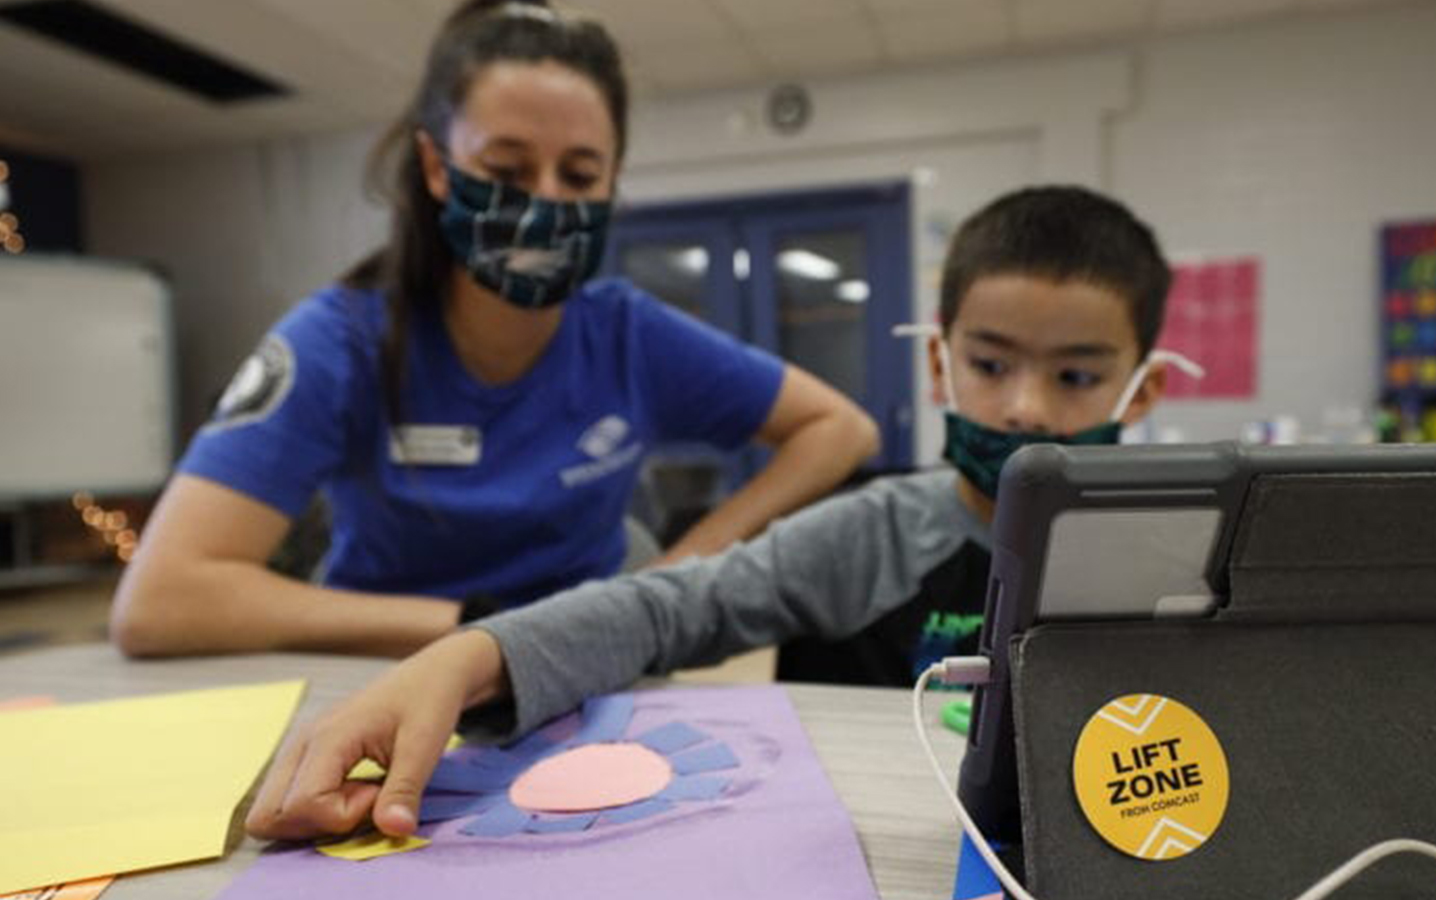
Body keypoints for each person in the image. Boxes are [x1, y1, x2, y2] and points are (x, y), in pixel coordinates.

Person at [245, 184, 1184, 841]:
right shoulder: (874, 533)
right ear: (939, 365)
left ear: (1139, 391)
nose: (1025, 406)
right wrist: (470, 655)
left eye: (1075, 375)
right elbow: (671, 608)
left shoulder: (1180, 549)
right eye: (990, 363)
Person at [109, 0, 879, 659]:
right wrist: (477, 633)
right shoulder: (341, 341)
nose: (545, 203)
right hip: (385, 671)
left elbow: (840, 428)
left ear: (613, 181)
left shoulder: (629, 335)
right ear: (438, 168)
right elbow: (157, 603)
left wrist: (671, 577)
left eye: (579, 176)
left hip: (580, 668)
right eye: (507, 171)